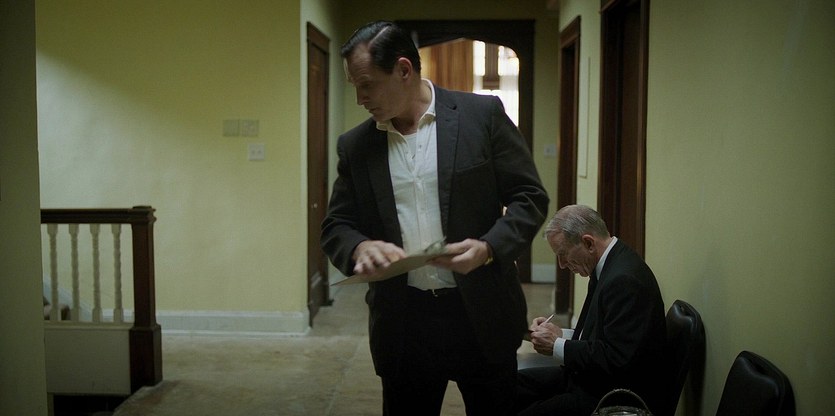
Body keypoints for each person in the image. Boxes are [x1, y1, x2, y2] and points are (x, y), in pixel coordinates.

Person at [320, 20, 549, 416]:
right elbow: (336, 226)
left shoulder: (482, 116)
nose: (360, 98)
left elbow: (529, 197)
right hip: (404, 323)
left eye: (367, 85)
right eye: (355, 86)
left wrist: (489, 247)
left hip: (482, 313)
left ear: (404, 70)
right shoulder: (356, 146)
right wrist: (359, 246)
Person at [516, 205, 666, 415]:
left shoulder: (624, 280)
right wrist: (560, 334)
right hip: (592, 380)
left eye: (563, 254)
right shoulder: (610, 265)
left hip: (609, 396)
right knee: (508, 386)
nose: (562, 264)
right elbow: (603, 336)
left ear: (588, 243)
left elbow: (617, 359)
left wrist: (556, 345)